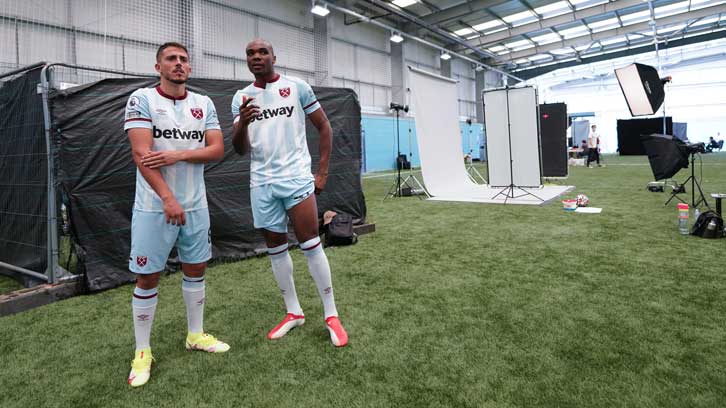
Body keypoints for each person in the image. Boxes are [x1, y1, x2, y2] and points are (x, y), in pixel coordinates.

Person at [124, 42, 229, 387]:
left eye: (184, 60)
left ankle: (195, 334)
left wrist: (177, 155)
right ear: (158, 66)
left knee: (196, 268)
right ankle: (142, 351)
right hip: (155, 206)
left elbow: (216, 149)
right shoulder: (142, 99)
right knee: (148, 277)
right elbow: (142, 154)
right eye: (171, 59)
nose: (179, 64)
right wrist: (168, 198)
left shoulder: (204, 103)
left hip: (196, 204)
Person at [231, 39, 348, 347]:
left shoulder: (297, 87)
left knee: (310, 244)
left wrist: (321, 172)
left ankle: (331, 314)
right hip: (262, 183)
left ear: (274, 56)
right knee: (276, 250)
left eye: (262, 52)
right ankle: (293, 312)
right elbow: (239, 149)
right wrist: (242, 123)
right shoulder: (241, 97)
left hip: (296, 178)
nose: (256, 57)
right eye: (250, 54)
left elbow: (325, 127)